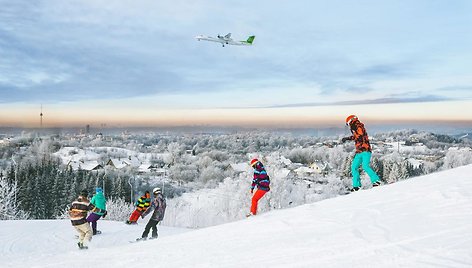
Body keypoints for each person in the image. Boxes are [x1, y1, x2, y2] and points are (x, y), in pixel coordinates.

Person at [341, 115, 381, 191]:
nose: (349, 126)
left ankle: (376, 181)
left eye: (348, 124)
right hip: (359, 151)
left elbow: (360, 134)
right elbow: (356, 136)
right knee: (354, 167)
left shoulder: (359, 126)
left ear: (351, 121)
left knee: (365, 166)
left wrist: (354, 132)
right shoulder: (355, 128)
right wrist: (347, 138)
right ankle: (356, 186)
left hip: (365, 150)